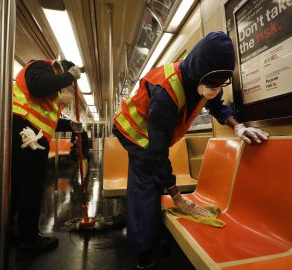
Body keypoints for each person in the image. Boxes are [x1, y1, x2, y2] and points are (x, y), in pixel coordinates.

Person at [112, 31, 269, 269]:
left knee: (154, 181)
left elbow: (216, 105)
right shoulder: (166, 92)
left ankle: (151, 234)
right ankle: (143, 254)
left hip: (153, 136)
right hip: (134, 132)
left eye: (220, 83)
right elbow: (157, 151)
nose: (214, 89)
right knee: (146, 182)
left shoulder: (204, 79)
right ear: (198, 73)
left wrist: (238, 128)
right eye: (211, 84)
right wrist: (177, 195)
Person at [0, 59, 83, 256]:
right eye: (63, 81)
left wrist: (70, 125)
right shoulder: (42, 67)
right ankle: (29, 240)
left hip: (17, 129)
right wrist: (69, 76)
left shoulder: (50, 94)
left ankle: (3, 235)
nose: (63, 87)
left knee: (14, 188)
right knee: (31, 187)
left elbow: (45, 118)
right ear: (60, 69)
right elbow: (38, 86)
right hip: (22, 131)